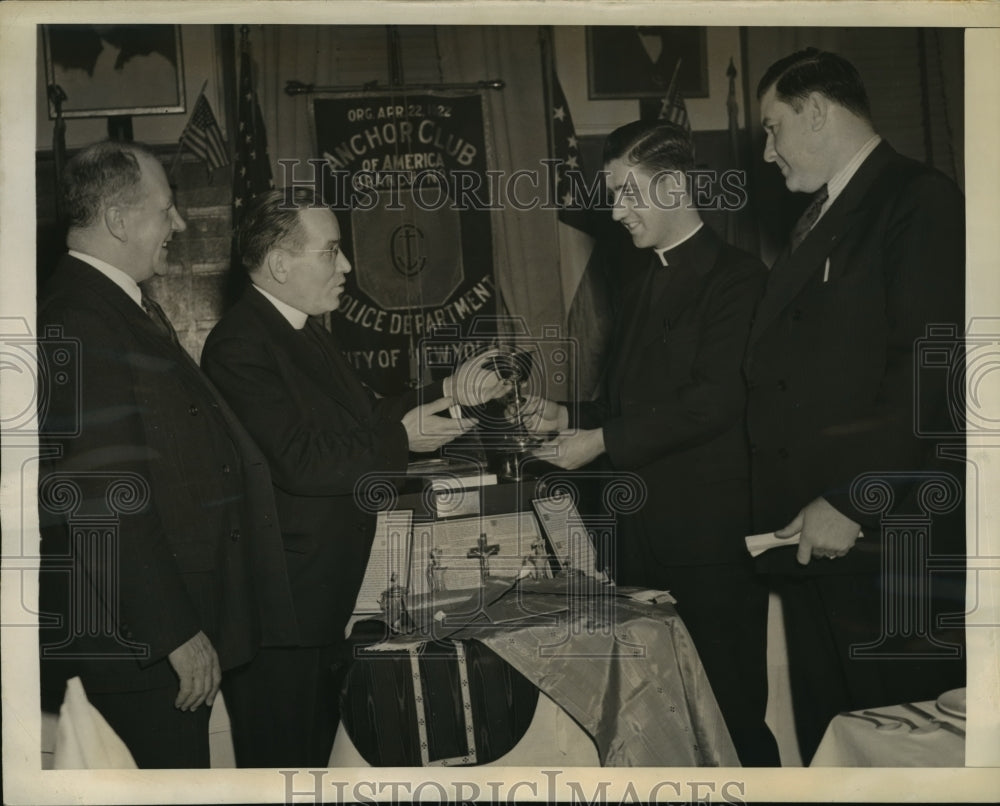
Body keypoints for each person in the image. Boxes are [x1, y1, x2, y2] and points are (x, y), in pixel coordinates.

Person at [200, 186, 505, 767]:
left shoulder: (300, 327)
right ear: (280, 262)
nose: (345, 266)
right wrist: (401, 441)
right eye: (331, 251)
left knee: (319, 760)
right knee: (286, 769)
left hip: (321, 594)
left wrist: (449, 391)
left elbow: (365, 420)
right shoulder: (241, 343)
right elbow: (303, 459)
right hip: (284, 612)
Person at [37, 141, 299, 768]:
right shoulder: (79, 318)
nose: (179, 225)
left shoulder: (113, 306)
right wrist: (174, 631)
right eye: (166, 209)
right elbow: (102, 493)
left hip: (156, 630)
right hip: (139, 644)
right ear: (120, 221)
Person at [524, 120, 778, 766]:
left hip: (711, 552)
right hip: (639, 547)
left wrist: (601, 440)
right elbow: (628, 408)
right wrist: (564, 417)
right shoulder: (637, 283)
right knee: (656, 727)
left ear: (672, 186)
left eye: (627, 193)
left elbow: (713, 402)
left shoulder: (739, 281)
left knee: (731, 721)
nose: (615, 212)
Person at [747, 48, 966, 762]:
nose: (769, 151)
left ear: (816, 111)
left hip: (883, 541)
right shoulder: (822, 214)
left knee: (896, 752)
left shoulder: (917, 199)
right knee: (831, 746)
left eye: (774, 128)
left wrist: (851, 498)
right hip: (815, 544)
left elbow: (928, 371)